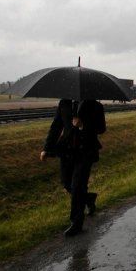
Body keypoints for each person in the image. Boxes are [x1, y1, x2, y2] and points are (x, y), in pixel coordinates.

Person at [41, 99, 105, 236]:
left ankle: (76, 223)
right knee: (66, 183)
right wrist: (46, 148)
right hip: (67, 151)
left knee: (77, 186)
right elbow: (56, 126)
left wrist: (83, 125)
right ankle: (88, 198)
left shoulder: (95, 105)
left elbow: (101, 128)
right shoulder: (64, 103)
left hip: (86, 151)